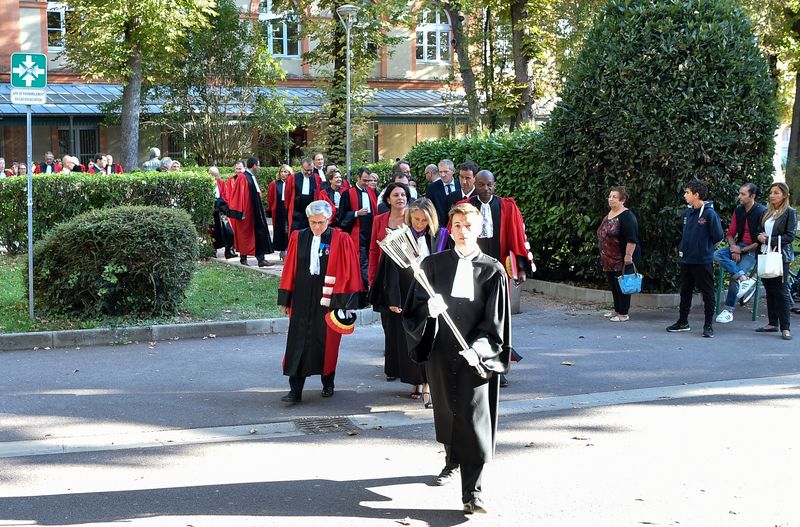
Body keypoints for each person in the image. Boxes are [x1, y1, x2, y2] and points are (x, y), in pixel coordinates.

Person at [403, 202, 511, 515]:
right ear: (450, 228)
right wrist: (428, 311)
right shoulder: (433, 265)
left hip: (475, 355)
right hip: (440, 351)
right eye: (458, 226)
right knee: (449, 412)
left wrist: (480, 348)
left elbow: (497, 322)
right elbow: (414, 308)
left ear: (480, 229)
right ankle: (451, 460)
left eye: (469, 226)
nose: (463, 232)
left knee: (474, 420)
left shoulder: (493, 271)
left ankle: (473, 493)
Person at [278, 200, 365, 403]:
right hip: (301, 297)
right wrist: (286, 298)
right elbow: (290, 268)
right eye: (313, 222)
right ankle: (295, 390)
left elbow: (347, 271)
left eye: (321, 222)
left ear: (329, 219)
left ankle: (328, 382)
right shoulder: (298, 237)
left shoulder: (340, 239)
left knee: (327, 342)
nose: (317, 226)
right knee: (297, 341)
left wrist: (344, 302)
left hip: (329, 299)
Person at [367, 182, 424, 396]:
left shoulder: (413, 217)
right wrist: (372, 276)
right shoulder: (379, 219)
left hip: (407, 276)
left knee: (407, 325)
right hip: (385, 276)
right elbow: (373, 248)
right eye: (395, 194)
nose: (400, 198)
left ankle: (412, 371)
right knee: (389, 324)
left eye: (403, 194)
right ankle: (393, 367)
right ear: (388, 199)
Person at [405, 197, 452, 409]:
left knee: (433, 340)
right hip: (411, 295)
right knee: (414, 339)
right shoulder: (403, 237)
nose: (419, 224)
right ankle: (416, 380)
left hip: (435, 294)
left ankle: (429, 385)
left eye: (424, 220)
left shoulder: (442, 237)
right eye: (415, 219)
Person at [666, 179, 724, 338]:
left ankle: (708, 325)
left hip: (702, 260)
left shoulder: (710, 214)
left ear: (696, 195)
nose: (684, 195)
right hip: (686, 259)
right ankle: (682, 322)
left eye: (687, 192)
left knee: (707, 293)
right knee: (685, 291)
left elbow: (718, 236)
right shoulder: (688, 212)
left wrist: (705, 249)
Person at [713, 183, 765, 323]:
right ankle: (743, 278)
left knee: (733, 276)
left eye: (743, 194)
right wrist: (734, 247)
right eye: (739, 193)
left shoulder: (761, 212)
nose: (739, 196)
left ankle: (728, 311)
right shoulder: (739, 210)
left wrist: (741, 250)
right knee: (717, 254)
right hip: (739, 245)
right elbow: (730, 234)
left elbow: (760, 241)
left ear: (752, 196)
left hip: (753, 250)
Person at [754, 182, 796, 340]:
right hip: (765, 254)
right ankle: (772, 323)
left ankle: (785, 328)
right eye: (771, 192)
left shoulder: (790, 212)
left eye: (776, 192)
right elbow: (760, 230)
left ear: (784, 195)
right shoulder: (767, 213)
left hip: (780, 256)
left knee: (781, 291)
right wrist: (759, 236)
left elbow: (789, 236)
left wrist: (768, 240)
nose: (772, 195)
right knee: (769, 289)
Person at [596, 186, 641, 322]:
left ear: (622, 200)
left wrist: (628, 256)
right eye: (610, 196)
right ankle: (616, 310)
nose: (611, 199)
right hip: (609, 258)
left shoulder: (627, 216)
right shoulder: (610, 213)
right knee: (614, 285)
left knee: (623, 285)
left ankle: (623, 313)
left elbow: (632, 239)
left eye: (614, 197)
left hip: (622, 258)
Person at [226, 157, 274, 267]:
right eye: (258, 165)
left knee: (259, 234)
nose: (259, 167)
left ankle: (261, 259)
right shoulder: (243, 177)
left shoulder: (250, 177)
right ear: (254, 166)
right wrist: (240, 212)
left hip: (255, 212)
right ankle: (243, 259)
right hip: (247, 213)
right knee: (245, 236)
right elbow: (239, 195)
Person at [337, 167, 378, 289]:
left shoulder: (372, 192)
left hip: (371, 231)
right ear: (358, 178)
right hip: (357, 233)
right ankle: (363, 289)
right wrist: (356, 213)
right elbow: (341, 216)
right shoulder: (348, 194)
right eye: (364, 180)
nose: (366, 183)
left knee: (371, 261)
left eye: (368, 180)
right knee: (362, 262)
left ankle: (370, 287)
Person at [209, 166, 237, 259]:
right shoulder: (206, 183)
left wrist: (218, 202)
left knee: (229, 232)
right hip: (211, 212)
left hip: (221, 211)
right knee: (213, 233)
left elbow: (226, 197)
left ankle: (228, 251)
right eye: (211, 175)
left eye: (215, 175)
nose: (214, 177)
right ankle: (212, 251)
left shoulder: (221, 183)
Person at [286, 158, 318, 234]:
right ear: (301, 168)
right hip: (296, 211)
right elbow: (287, 194)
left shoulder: (316, 178)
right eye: (306, 170)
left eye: (311, 170)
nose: (309, 172)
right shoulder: (293, 178)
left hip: (310, 212)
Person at [267, 164, 292, 259]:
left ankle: (287, 250)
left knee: (288, 229)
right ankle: (282, 251)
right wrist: (271, 209)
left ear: (289, 173)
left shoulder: (291, 183)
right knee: (280, 230)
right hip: (278, 209)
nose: (283, 174)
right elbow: (270, 198)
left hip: (288, 209)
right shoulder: (274, 184)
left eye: (285, 172)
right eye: (281, 172)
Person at [426, 159, 459, 227]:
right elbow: (429, 210)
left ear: (453, 171)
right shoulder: (432, 188)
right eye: (440, 172)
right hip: (440, 229)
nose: (442, 175)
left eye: (446, 171)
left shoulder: (460, 185)